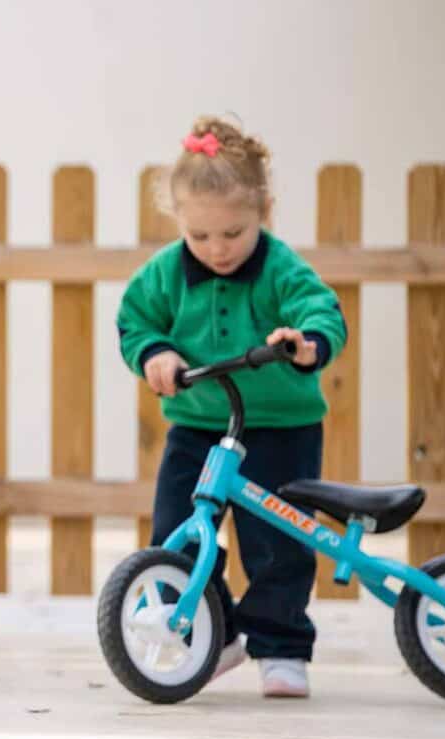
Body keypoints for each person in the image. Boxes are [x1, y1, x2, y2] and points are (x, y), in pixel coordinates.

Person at [117, 116, 348, 698]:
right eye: (200, 237)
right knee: (176, 531)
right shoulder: (167, 272)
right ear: (179, 224)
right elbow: (135, 320)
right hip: (198, 424)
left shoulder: (279, 267)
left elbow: (323, 312)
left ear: (264, 211)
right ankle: (212, 636)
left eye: (233, 233)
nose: (217, 249)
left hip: (280, 428)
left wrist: (303, 344)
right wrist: (156, 353)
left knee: (277, 542)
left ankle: (281, 645)